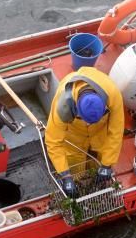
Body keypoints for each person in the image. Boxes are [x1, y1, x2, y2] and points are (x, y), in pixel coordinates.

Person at [44, 66, 125, 197]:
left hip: (99, 135)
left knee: (99, 162)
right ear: (75, 107)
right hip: (73, 139)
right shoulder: (62, 103)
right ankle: (77, 183)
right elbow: (53, 141)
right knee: (75, 167)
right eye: (84, 119)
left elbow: (116, 131)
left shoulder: (113, 94)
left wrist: (106, 165)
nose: (88, 124)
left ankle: (98, 175)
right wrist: (65, 175)